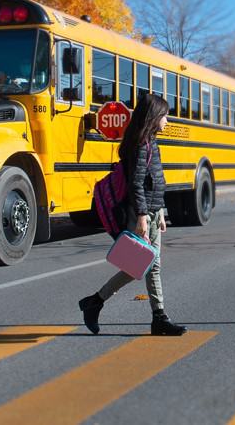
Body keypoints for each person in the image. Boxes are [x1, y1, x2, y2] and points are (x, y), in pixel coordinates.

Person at [78, 94, 187, 336]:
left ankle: (97, 303)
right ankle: (101, 303)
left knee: (146, 265)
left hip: (152, 211)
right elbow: (137, 184)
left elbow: (155, 182)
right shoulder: (141, 146)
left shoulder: (150, 142)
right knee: (145, 265)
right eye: (165, 116)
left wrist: (160, 213)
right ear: (154, 117)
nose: (167, 121)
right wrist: (142, 217)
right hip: (142, 213)